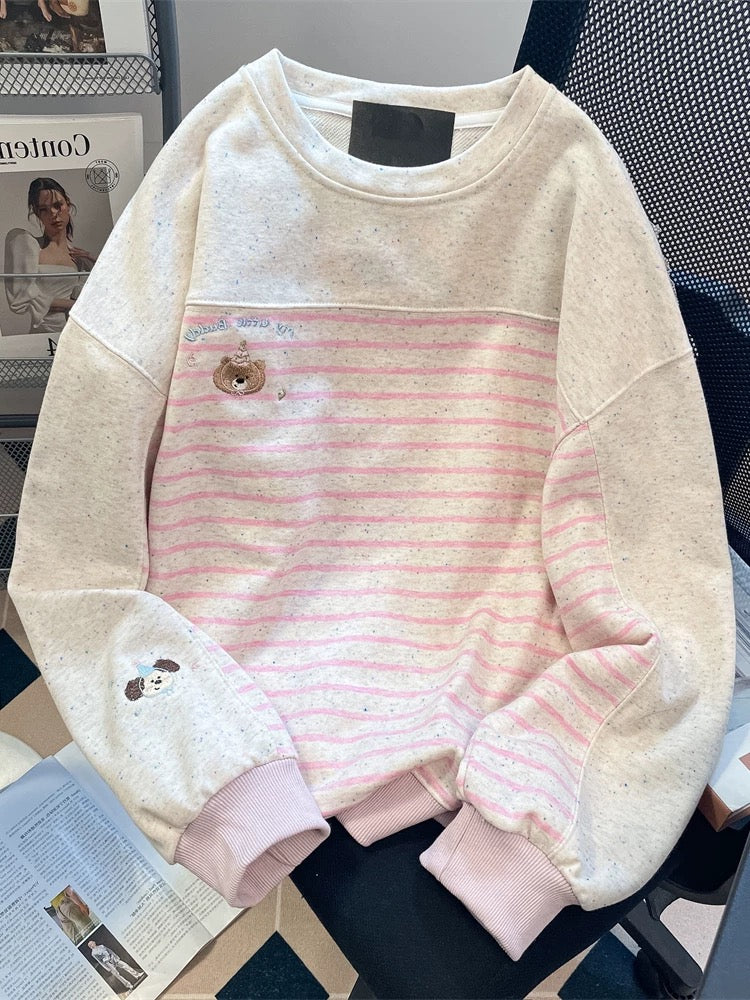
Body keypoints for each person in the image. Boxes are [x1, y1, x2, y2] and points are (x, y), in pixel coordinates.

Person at [4, 177, 96, 337]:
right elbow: (22, 297)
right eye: (43, 209)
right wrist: (72, 305)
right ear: (36, 213)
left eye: (58, 205)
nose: (53, 213)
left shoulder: (80, 258)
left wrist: (95, 261)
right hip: (43, 335)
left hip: (74, 334)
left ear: (68, 205)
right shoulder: (26, 244)